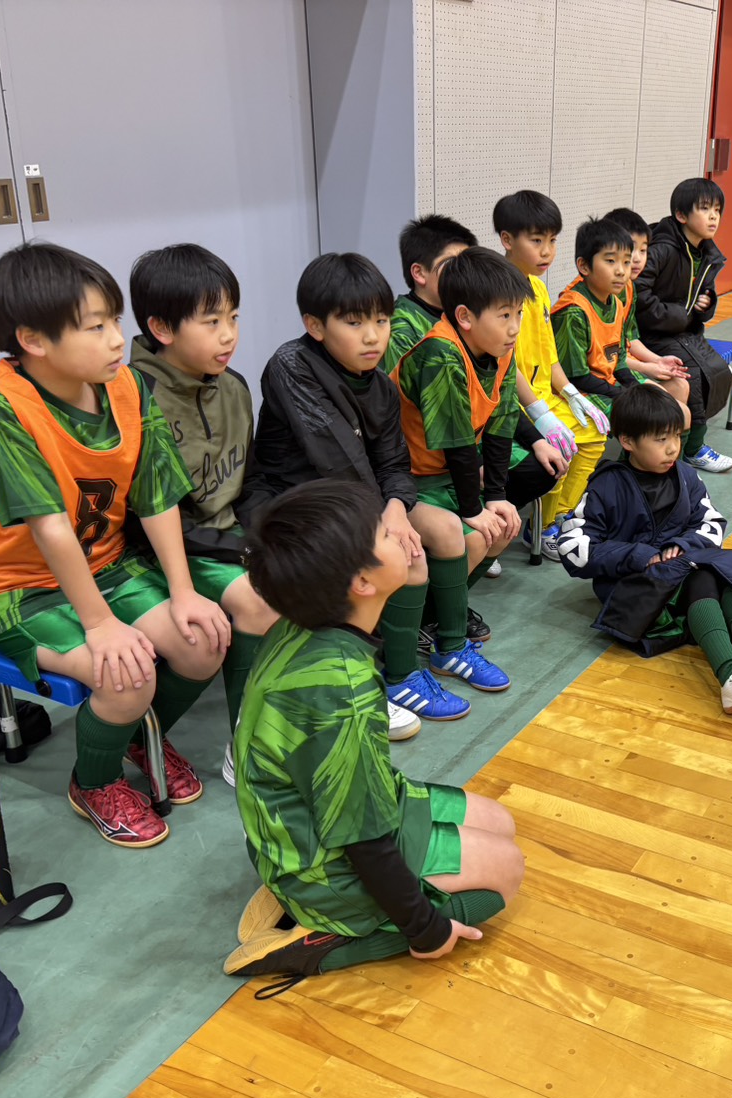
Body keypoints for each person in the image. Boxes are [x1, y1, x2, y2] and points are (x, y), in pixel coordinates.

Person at [0, 242, 230, 847]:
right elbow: (51, 527)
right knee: (127, 674)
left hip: (109, 567)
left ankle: (135, 735)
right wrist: (101, 625)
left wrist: (183, 591)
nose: (116, 340)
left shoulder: (127, 386)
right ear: (33, 339)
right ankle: (95, 780)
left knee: (202, 641)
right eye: (95, 327)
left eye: (115, 322)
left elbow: (155, 497)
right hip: (19, 592)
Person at [225, 480, 523, 983]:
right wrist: (426, 930)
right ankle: (323, 938)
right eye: (386, 532)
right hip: (328, 854)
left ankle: (295, 888)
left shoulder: (308, 621)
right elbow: (363, 838)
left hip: (309, 819)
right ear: (362, 581)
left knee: (500, 824)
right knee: (504, 876)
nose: (403, 531)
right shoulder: (340, 687)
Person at [244, 252, 462, 725]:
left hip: (354, 502)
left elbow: (394, 464)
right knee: (398, 556)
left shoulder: (380, 386)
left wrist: (397, 509)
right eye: (354, 322)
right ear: (315, 326)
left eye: (381, 320)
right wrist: (385, 521)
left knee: (435, 536)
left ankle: (413, 667)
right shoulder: (291, 364)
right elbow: (338, 462)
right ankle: (371, 677)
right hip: (291, 508)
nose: (373, 336)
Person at [128, 244, 278, 786]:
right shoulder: (135, 398)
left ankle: (283, 719)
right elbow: (144, 516)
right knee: (257, 602)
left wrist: (265, 536)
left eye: (233, 317)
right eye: (211, 322)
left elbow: (250, 481)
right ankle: (246, 743)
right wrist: (240, 550)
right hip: (162, 550)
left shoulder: (233, 387)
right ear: (161, 328)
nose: (229, 335)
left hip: (224, 537)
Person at [559, 385, 732, 714]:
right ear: (627, 441)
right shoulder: (606, 485)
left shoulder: (686, 475)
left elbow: (711, 523)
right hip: (636, 594)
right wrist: (640, 556)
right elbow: (573, 547)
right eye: (661, 439)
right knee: (701, 578)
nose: (673, 448)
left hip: (680, 573)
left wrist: (681, 545)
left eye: (676, 436)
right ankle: (731, 675)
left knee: (731, 570)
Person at [388, 246, 523, 696]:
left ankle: (436, 619)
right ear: (465, 317)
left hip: (446, 475)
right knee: (468, 534)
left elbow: (502, 424)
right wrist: (472, 508)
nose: (514, 327)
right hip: (407, 479)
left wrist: (496, 497)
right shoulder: (440, 353)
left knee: (501, 528)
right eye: (504, 316)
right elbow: (457, 441)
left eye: (518, 314)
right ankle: (447, 642)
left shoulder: (501, 350)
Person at [493, 189, 604, 561]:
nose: (547, 251)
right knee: (563, 447)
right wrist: (541, 413)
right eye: (536, 240)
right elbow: (505, 367)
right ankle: (539, 529)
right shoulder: (496, 292)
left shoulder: (538, 288)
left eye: (553, 241)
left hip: (544, 394)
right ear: (507, 240)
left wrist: (572, 393)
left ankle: (559, 517)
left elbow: (549, 356)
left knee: (595, 434)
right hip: (515, 402)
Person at [634, 178, 732, 474]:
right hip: (653, 335)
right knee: (690, 374)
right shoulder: (661, 248)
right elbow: (639, 294)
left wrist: (707, 303)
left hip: (684, 331)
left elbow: (704, 292)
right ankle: (693, 449)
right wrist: (681, 314)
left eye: (717, 210)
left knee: (717, 370)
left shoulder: (706, 253)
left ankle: (690, 442)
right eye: (705, 209)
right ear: (681, 215)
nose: (713, 216)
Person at [545, 217, 638, 526]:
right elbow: (575, 375)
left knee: (659, 404)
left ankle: (630, 488)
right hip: (577, 391)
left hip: (606, 384)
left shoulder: (618, 301)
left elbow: (619, 359)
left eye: (626, 261)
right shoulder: (573, 310)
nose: (621, 270)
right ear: (584, 266)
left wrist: (634, 388)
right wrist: (623, 395)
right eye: (610, 261)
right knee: (637, 420)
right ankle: (566, 511)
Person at [604, 206, 691, 412]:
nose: (637, 258)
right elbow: (602, 357)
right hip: (602, 374)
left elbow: (630, 338)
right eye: (631, 249)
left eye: (643, 250)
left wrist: (658, 361)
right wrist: (647, 368)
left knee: (680, 385)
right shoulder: (593, 297)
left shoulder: (628, 288)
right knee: (673, 407)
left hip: (621, 364)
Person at [386, 214, 478, 369]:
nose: (464, 273)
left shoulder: (469, 310)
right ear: (419, 273)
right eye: (451, 263)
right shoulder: (401, 329)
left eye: (467, 263)